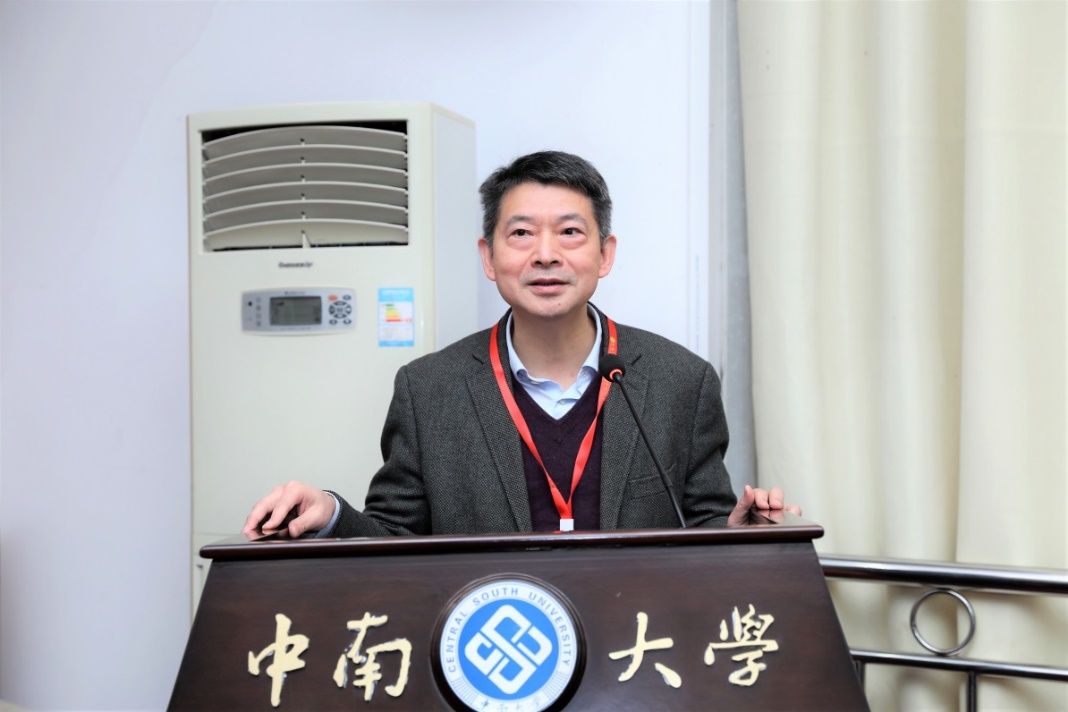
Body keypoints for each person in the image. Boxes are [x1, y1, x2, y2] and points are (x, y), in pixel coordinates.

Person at [243, 151, 800, 540]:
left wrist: (741, 533)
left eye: (570, 232)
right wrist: (330, 513)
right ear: (489, 257)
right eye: (521, 233)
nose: (546, 254)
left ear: (604, 255)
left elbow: (701, 527)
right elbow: (395, 539)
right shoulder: (429, 389)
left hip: (633, 647)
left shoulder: (680, 379)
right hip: (484, 654)